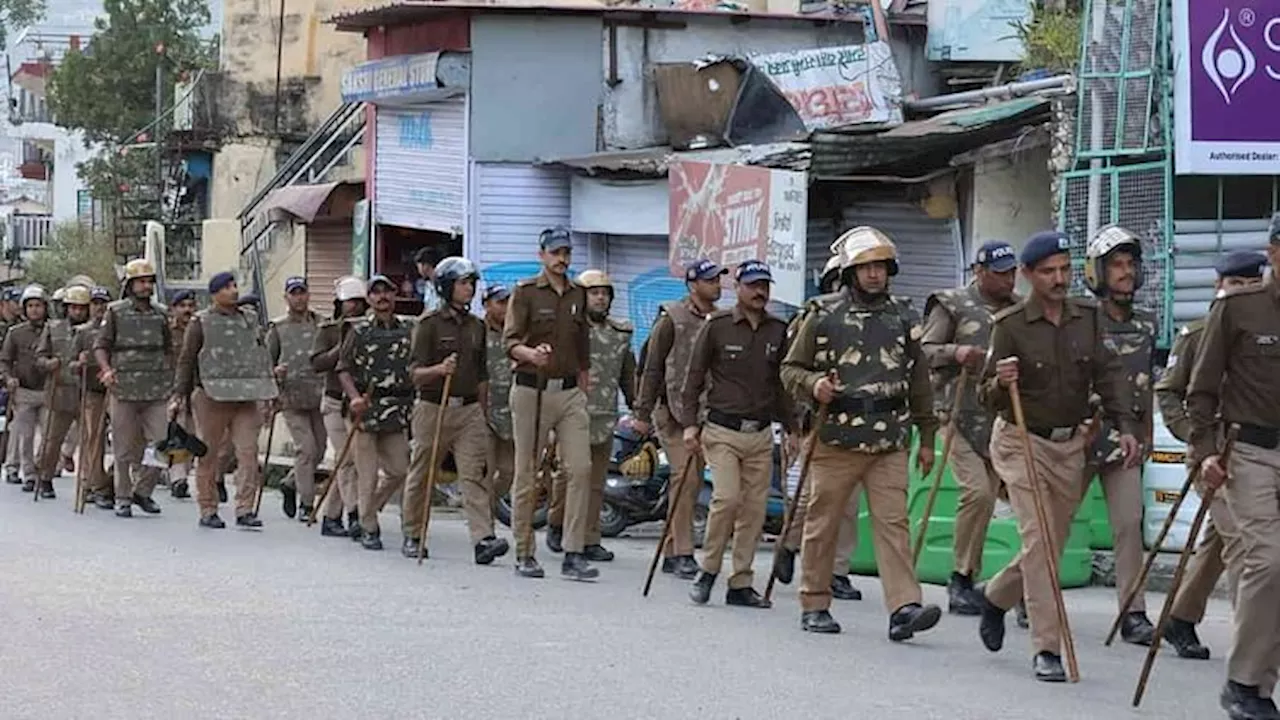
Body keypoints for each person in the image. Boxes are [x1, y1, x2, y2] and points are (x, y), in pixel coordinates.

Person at [975, 230, 1139, 682]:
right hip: (1020, 440)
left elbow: (1108, 375)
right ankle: (1046, 648)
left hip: (1070, 445)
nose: (1059, 278)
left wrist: (1125, 427)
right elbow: (985, 395)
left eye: (1065, 269)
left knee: (1050, 543)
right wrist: (1000, 379)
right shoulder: (1008, 325)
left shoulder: (1087, 318)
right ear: (1028, 275)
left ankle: (995, 596)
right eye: (1048, 271)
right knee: (1041, 539)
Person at [781, 229, 943, 638]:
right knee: (823, 523)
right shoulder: (821, 314)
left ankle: (904, 607)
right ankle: (814, 601)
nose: (874, 275)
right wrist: (815, 384)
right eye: (866, 267)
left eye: (881, 267)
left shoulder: (905, 317)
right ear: (851, 272)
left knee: (894, 524)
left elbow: (920, 379)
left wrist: (927, 437)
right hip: (836, 437)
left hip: (889, 439)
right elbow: (790, 368)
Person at [1188, 215, 1280, 720]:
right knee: (1268, 561)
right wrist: (1204, 451)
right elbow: (1200, 388)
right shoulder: (1238, 308)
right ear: (1273, 254)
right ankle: (1244, 683)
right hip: (1249, 452)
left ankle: (1258, 685)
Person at [1154, 250, 1263, 661]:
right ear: (1219, 286)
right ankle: (1252, 647)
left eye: (1250, 285)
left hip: (1257, 453)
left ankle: (1180, 617)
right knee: (1244, 542)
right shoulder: (1198, 334)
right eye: (1234, 285)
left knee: (1221, 539)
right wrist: (1195, 441)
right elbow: (1168, 391)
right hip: (1212, 454)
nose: (1241, 294)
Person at [682, 260, 796, 608]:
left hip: (761, 433)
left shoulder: (779, 329)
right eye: (753, 285)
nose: (760, 291)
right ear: (738, 289)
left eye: (765, 285)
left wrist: (793, 428)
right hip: (721, 430)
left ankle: (741, 582)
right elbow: (694, 377)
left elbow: (783, 385)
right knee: (727, 499)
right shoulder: (716, 326)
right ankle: (709, 569)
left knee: (754, 510)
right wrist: (689, 424)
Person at [920, 240, 1020, 614]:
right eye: (1000, 273)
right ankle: (960, 576)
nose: (1008, 279)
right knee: (977, 493)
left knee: (1021, 500)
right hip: (957, 413)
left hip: (1002, 418)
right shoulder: (952, 305)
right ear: (979, 272)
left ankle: (1018, 585)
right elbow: (925, 350)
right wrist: (956, 353)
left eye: (1012, 272)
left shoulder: (1020, 309)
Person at [1075, 225, 1160, 645]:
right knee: (1054, 524)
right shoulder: (1079, 319)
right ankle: (1024, 593)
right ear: (1097, 273)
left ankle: (1134, 612)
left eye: (1131, 265)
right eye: (1117, 266)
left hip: (1125, 441)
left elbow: (1146, 383)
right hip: (1078, 437)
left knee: (1129, 524)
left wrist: (1146, 434)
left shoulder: (1147, 322)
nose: (1125, 273)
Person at [502, 225, 597, 580]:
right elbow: (508, 342)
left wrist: (584, 384)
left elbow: (583, 344)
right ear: (541, 255)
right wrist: (530, 353)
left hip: (569, 391)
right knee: (527, 472)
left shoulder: (577, 293)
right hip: (532, 389)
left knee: (580, 468)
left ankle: (573, 551)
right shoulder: (525, 292)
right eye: (555, 252)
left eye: (566, 253)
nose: (562, 259)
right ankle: (525, 552)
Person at [401, 258, 510, 563]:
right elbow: (414, 373)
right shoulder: (428, 324)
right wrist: (438, 369)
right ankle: (413, 534)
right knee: (422, 473)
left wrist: (484, 413)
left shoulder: (477, 326)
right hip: (433, 407)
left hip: (469, 411)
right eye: (463, 283)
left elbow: (482, 375)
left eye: (471, 283)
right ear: (447, 287)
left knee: (474, 475)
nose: (469, 289)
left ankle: (483, 539)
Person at [772, 252, 865, 602]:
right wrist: (794, 423)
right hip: (818, 420)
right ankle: (789, 544)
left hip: (860, 424)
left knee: (849, 504)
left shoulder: (875, 320)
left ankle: (838, 571)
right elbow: (792, 373)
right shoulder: (811, 319)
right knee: (813, 498)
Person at [632, 258, 725, 580]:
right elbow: (652, 366)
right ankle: (684, 552)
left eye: (718, 279)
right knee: (684, 477)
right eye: (710, 279)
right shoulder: (673, 318)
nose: (717, 284)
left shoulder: (721, 319)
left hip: (704, 411)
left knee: (693, 478)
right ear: (693, 284)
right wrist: (642, 413)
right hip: (671, 410)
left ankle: (672, 549)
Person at [173, 271, 278, 529]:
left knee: (248, 453)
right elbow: (187, 359)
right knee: (208, 453)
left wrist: (271, 390)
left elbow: (261, 354)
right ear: (215, 294)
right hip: (211, 395)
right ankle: (208, 508)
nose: (233, 290)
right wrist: (179, 395)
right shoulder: (201, 322)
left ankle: (244, 508)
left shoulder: (250, 320)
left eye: (234, 286)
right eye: (227, 287)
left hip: (246, 394)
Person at [547, 270, 636, 562]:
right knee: (570, 475)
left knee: (596, 482)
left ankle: (589, 537)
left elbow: (628, 375)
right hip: (571, 413)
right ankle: (558, 523)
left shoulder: (620, 333)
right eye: (594, 292)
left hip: (604, 415)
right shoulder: (569, 330)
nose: (600, 297)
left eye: (605, 293)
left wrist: (638, 409)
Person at [337, 274, 414, 550]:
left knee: (400, 471)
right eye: (376, 292)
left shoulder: (407, 329)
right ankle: (369, 527)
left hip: (395, 411)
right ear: (369, 298)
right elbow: (343, 369)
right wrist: (355, 397)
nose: (382, 297)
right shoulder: (359, 331)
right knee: (367, 475)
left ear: (394, 295)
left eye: (387, 291)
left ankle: (368, 509)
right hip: (365, 412)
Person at [94, 259, 174, 518]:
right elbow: (101, 345)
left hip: (155, 389)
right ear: (129, 285)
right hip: (123, 388)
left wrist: (172, 381)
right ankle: (123, 496)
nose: (146, 286)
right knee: (124, 447)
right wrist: (106, 369)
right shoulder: (115, 312)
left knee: (161, 444)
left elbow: (170, 348)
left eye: (149, 281)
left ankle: (143, 491)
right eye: (140, 281)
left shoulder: (161, 313)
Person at [310, 276, 368, 539]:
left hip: (357, 401)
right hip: (334, 401)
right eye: (349, 302)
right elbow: (316, 362)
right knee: (346, 460)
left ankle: (331, 517)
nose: (354, 307)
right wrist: (340, 349)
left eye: (359, 302)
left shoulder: (368, 328)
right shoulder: (328, 329)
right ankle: (355, 514)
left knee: (351, 460)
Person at [266, 276, 325, 522]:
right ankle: (307, 504)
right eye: (294, 293)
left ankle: (290, 483)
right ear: (286, 297)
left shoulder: (323, 324)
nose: (299, 297)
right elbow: (266, 363)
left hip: (319, 395)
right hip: (291, 397)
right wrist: (274, 376)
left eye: (302, 292)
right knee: (306, 449)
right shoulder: (277, 328)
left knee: (319, 451)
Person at [32, 285, 92, 499]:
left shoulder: (95, 329)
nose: (77, 312)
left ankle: (90, 483)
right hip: (59, 391)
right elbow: (39, 358)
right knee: (52, 440)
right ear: (66, 308)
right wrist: (49, 364)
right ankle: (45, 477)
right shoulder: (53, 328)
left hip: (88, 392)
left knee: (91, 441)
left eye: (82, 308)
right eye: (73, 307)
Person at [1, 285, 50, 492]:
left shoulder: (55, 330)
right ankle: (29, 474)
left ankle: (42, 469)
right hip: (24, 391)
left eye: (38, 305)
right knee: (26, 435)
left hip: (49, 390)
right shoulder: (15, 333)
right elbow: (4, 360)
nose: (34, 310)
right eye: (30, 306)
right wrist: (8, 377)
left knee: (48, 436)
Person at [74, 286, 113, 509]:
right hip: (92, 392)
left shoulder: (117, 329)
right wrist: (78, 362)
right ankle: (96, 486)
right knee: (95, 440)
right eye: (96, 303)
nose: (100, 308)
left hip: (116, 391)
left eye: (103, 303)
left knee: (125, 441)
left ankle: (109, 481)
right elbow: (70, 365)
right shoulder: (82, 333)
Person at [483, 284, 516, 519]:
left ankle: (487, 507)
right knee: (485, 471)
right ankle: (484, 527)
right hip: (482, 410)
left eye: (508, 302)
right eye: (500, 302)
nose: (506, 308)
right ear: (487, 305)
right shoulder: (476, 332)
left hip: (511, 412)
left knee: (508, 472)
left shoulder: (517, 334)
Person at [166, 289, 199, 499]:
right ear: (174, 309)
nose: (187, 310)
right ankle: (178, 479)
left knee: (193, 436)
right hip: (173, 390)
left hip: (198, 390)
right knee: (177, 435)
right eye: (182, 306)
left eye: (190, 306)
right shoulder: (167, 332)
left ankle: (181, 474)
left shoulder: (202, 329)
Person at [0, 286, 21, 482]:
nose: (18, 308)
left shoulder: (20, 327)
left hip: (11, 380)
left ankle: (10, 460)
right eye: (15, 303)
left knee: (13, 421)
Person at [414, 246, 442, 312]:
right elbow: (427, 308)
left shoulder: (442, 285)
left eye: (418, 266)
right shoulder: (428, 285)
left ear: (426, 265)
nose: (418, 270)